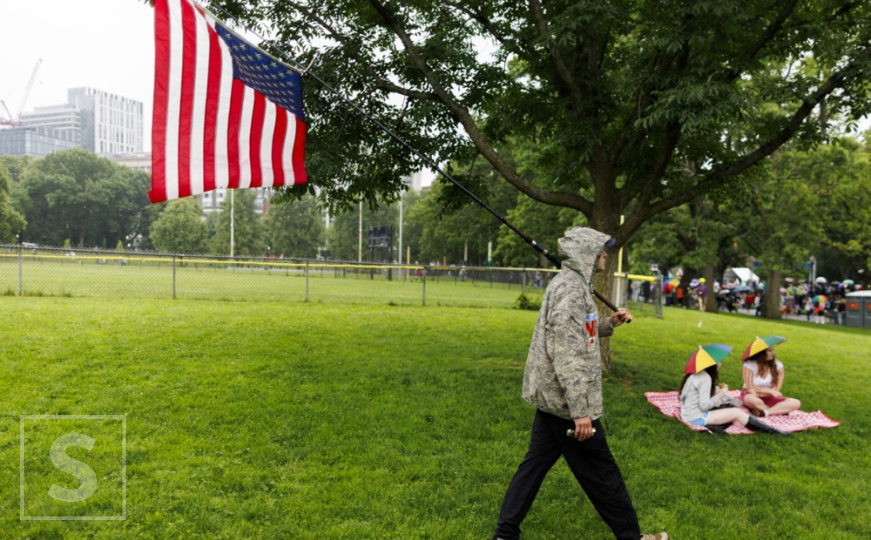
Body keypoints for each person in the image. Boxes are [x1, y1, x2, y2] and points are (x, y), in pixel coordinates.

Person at [492, 227, 667, 540]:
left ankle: (505, 533)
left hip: (553, 400)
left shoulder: (573, 286)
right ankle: (633, 537)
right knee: (603, 473)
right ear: (585, 254)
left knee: (533, 468)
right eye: (600, 249)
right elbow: (568, 356)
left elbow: (577, 332)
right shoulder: (572, 291)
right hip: (566, 404)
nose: (605, 255)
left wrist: (607, 324)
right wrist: (581, 412)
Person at [679, 364, 789, 436]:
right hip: (696, 417)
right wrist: (720, 395)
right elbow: (704, 406)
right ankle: (774, 432)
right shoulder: (705, 378)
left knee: (730, 407)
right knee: (736, 413)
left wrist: (716, 391)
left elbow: (686, 396)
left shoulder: (695, 374)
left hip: (687, 414)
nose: (721, 364)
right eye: (719, 362)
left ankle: (713, 428)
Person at [741, 348, 801, 417]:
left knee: (796, 403)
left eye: (773, 350)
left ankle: (764, 412)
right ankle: (777, 410)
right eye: (769, 351)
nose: (773, 353)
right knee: (749, 399)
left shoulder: (778, 365)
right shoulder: (749, 365)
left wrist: (767, 394)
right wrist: (769, 391)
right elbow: (750, 386)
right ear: (760, 353)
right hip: (753, 395)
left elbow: (776, 390)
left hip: (769, 396)